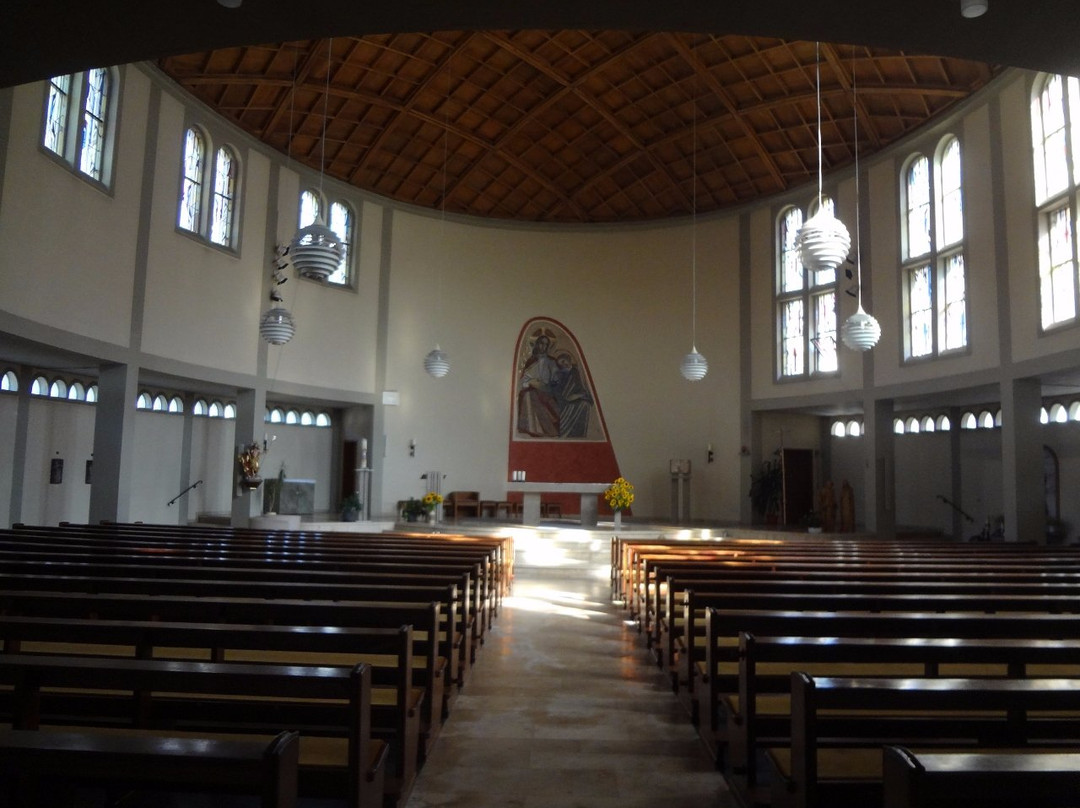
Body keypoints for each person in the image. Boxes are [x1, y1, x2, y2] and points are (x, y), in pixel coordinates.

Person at [516, 331, 560, 437]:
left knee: (534, 395)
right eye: (541, 343)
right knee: (528, 395)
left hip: (548, 390)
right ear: (536, 344)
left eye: (546, 344)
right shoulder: (531, 361)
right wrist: (529, 383)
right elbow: (523, 380)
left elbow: (556, 379)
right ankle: (533, 428)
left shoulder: (552, 361)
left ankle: (549, 430)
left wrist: (549, 384)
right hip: (533, 389)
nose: (543, 346)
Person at [551, 351, 593, 438]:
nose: (563, 365)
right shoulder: (559, 373)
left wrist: (578, 395)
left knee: (584, 404)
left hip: (576, 399)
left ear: (568, 359)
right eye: (561, 364)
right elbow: (556, 389)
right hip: (563, 400)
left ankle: (578, 434)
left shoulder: (576, 371)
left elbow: (582, 388)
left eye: (563, 361)